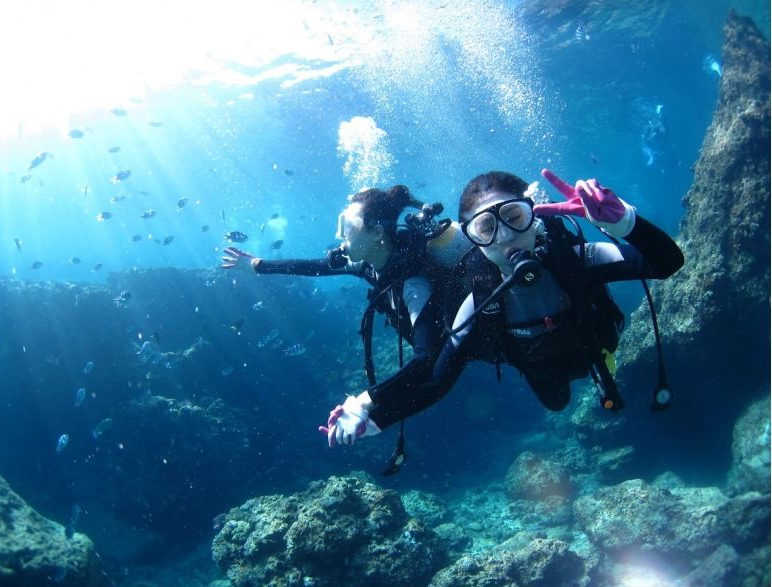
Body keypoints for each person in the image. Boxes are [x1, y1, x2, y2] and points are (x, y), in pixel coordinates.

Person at [320, 169, 685, 446]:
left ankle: (603, 365)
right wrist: (370, 417)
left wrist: (624, 222)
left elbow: (665, 263)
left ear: (534, 214)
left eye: (514, 217)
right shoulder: (479, 303)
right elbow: (435, 381)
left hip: (593, 343)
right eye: (486, 227)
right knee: (557, 403)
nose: (506, 236)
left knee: (601, 366)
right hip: (538, 366)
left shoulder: (575, 259)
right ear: (472, 239)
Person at [222, 185, 472, 451]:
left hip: (473, 337)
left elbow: (427, 362)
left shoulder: (414, 285)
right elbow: (314, 267)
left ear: (377, 233)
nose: (339, 236)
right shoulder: (370, 263)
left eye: (347, 227)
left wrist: (362, 403)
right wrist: (257, 266)